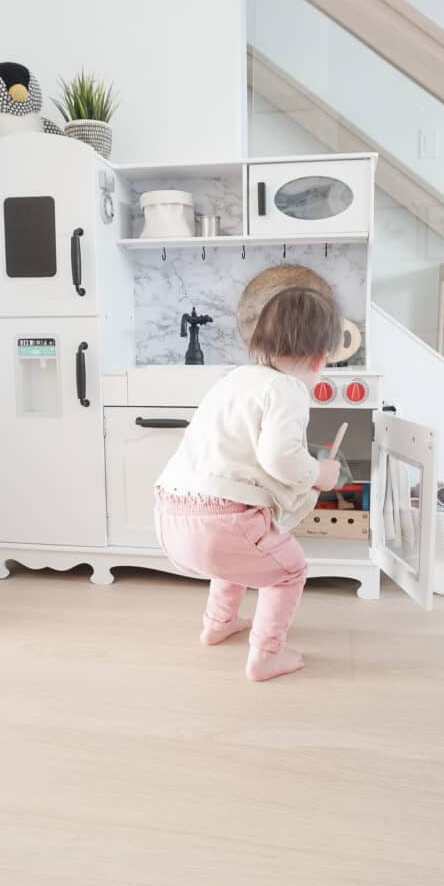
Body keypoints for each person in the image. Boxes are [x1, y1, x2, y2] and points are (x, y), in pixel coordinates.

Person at [154, 286, 342, 682]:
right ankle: (266, 654)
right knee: (289, 569)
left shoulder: (234, 379)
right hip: (222, 523)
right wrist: (319, 475)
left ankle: (218, 622)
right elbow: (280, 457)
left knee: (237, 556)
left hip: (169, 516)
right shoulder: (287, 389)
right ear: (320, 356)